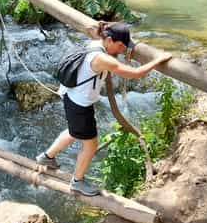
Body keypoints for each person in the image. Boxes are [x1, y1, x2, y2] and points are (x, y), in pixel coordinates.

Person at [35, 22, 172, 196]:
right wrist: (158, 60)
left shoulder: (93, 43)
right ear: (108, 40)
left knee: (73, 132)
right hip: (79, 104)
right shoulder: (102, 58)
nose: (122, 49)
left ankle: (46, 158)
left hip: (70, 95)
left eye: (125, 46)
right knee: (91, 145)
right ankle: (77, 182)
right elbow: (136, 73)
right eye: (120, 45)